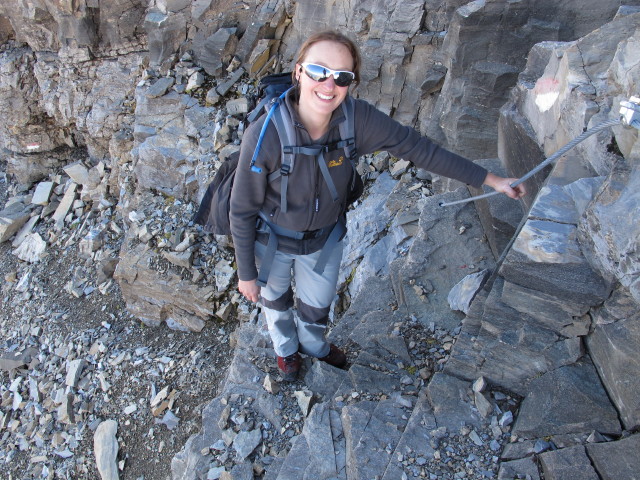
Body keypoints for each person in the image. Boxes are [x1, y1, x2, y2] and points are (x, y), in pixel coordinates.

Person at [230, 30, 526, 381]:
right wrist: (246, 272)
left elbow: (418, 149)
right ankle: (286, 352)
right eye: (318, 70)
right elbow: (242, 208)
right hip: (272, 240)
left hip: (324, 241)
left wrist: (492, 180)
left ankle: (314, 347)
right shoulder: (264, 134)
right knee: (274, 301)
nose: (329, 84)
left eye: (342, 76)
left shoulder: (358, 121)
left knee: (316, 307)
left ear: (350, 83)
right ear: (298, 72)